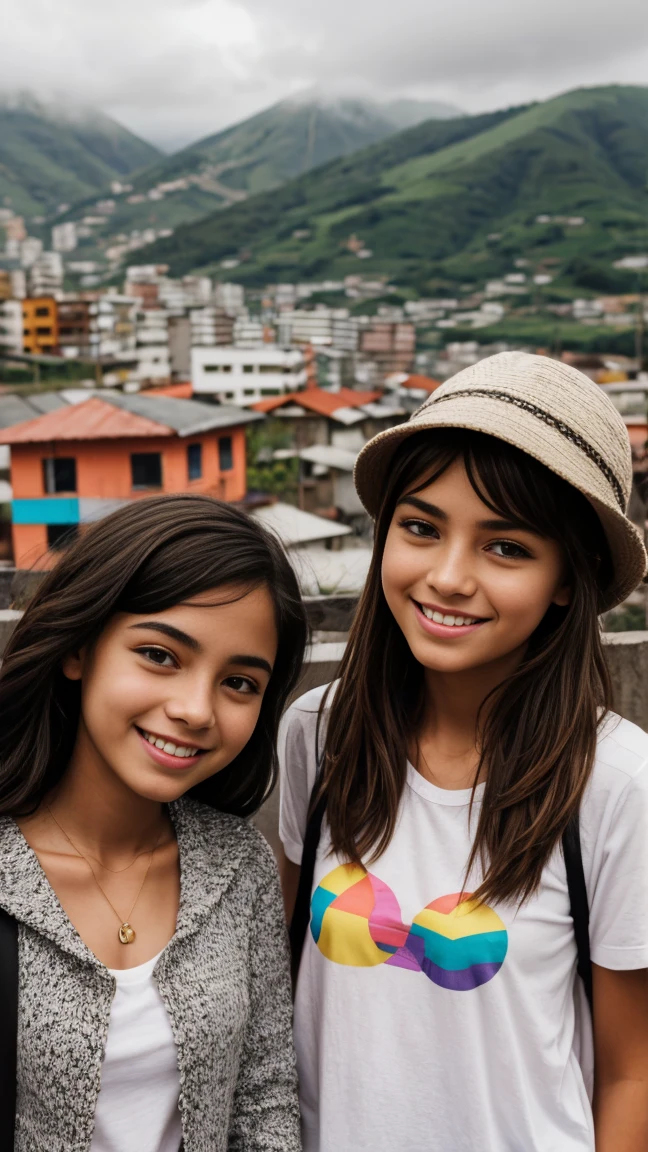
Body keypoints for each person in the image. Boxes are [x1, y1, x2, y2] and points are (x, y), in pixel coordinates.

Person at [279, 352, 648, 1152]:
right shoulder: (318, 735)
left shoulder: (618, 786)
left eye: (506, 547)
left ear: (567, 576)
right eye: (421, 528)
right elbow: (285, 994)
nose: (448, 577)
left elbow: (632, 1077)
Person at [0, 493, 307, 1152]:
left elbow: (266, 1097)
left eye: (240, 683)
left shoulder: (239, 866)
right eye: (161, 656)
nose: (196, 709)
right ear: (79, 648)